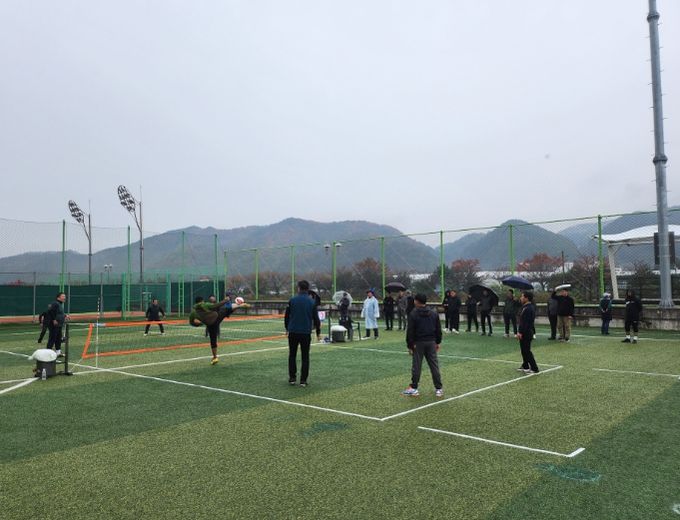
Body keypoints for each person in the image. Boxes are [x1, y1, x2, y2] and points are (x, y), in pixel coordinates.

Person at [402, 293, 444, 398]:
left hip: (418, 343)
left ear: (416, 301)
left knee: (416, 366)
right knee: (434, 365)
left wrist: (410, 345)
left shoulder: (413, 314)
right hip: (431, 342)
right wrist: (438, 342)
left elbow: (410, 331)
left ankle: (414, 388)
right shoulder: (433, 313)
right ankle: (439, 389)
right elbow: (438, 329)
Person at [189, 294, 245, 364]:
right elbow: (216, 305)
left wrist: (199, 324)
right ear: (202, 300)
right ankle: (239, 305)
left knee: (213, 340)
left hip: (210, 324)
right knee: (225, 310)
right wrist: (225, 300)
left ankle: (215, 357)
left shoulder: (193, 312)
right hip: (217, 318)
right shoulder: (205, 304)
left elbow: (191, 322)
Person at [284, 280, 321, 386]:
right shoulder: (311, 302)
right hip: (305, 332)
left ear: (299, 288)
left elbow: (286, 316)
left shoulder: (292, 300)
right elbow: (316, 319)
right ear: (308, 289)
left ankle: (292, 378)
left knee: (292, 355)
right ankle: (303, 380)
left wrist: (287, 328)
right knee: (305, 357)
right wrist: (318, 332)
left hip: (293, 331)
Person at [516, 291, 539, 374]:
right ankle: (525, 365)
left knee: (527, 351)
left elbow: (526, 323)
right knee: (523, 350)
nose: (521, 298)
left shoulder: (529, 308)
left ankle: (534, 368)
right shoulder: (525, 307)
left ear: (526, 298)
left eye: (522, 296)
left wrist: (520, 332)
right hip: (525, 331)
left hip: (527, 332)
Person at [46, 292, 69, 357]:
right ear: (58, 298)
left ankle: (58, 352)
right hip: (54, 325)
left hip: (59, 325)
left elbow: (59, 313)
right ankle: (47, 354)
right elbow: (50, 311)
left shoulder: (59, 304)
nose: (64, 297)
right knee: (52, 338)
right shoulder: (55, 303)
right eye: (63, 296)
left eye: (65, 296)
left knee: (58, 338)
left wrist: (65, 316)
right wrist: (54, 320)